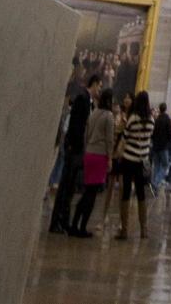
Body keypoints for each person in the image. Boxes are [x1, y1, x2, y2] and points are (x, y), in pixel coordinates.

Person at [49, 72, 101, 234]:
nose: (100, 89)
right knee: (65, 187)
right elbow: (76, 125)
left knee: (70, 187)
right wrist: (72, 145)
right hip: (75, 148)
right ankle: (56, 221)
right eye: (99, 86)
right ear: (94, 84)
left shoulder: (89, 101)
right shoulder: (82, 98)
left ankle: (64, 220)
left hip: (79, 148)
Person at [70, 89, 114, 237]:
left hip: (89, 153)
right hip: (100, 155)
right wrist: (110, 159)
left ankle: (75, 223)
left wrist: (87, 148)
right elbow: (109, 140)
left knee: (87, 190)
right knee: (92, 194)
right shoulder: (108, 116)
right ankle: (82, 227)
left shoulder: (94, 113)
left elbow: (86, 134)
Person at [116, 90, 154, 241]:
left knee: (126, 192)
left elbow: (125, 137)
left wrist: (118, 152)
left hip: (129, 159)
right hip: (141, 160)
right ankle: (144, 229)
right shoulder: (151, 120)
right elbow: (149, 138)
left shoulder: (133, 118)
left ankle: (124, 229)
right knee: (141, 193)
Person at [150, 101, 171, 194]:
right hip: (164, 147)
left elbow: (154, 133)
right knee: (165, 165)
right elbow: (169, 133)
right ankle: (156, 182)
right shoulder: (167, 119)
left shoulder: (157, 119)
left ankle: (154, 182)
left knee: (156, 165)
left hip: (156, 146)